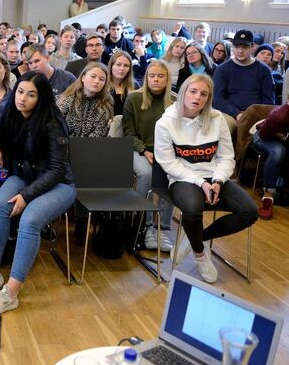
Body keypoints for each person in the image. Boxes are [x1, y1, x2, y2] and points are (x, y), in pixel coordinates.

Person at [0, 71, 76, 313]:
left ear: (41, 98)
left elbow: (56, 170)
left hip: (59, 184)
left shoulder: (52, 123)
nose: (22, 98)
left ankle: (11, 292)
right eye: (20, 92)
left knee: (30, 220)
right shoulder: (12, 111)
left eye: (31, 95)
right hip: (23, 176)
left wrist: (27, 195)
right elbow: (0, 126)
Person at [154, 74, 258, 283]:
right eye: (193, 92)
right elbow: (169, 164)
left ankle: (196, 239)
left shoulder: (217, 119)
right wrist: (201, 183)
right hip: (183, 178)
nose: (198, 98)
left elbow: (226, 157)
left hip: (215, 175)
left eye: (204, 94)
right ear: (183, 92)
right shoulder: (165, 123)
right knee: (193, 209)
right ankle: (200, 255)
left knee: (250, 212)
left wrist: (218, 181)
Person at [122, 60, 176, 251]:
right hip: (139, 148)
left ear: (167, 79)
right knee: (146, 173)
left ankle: (161, 227)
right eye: (152, 76)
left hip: (166, 152)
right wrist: (144, 150)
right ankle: (143, 225)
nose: (156, 80)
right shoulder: (134, 99)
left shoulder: (175, 102)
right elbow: (128, 133)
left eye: (160, 76)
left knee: (172, 174)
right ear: (146, 78)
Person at [212, 29, 275, 133]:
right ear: (232, 47)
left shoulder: (263, 70)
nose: (240, 51)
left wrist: (253, 116)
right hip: (229, 114)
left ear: (252, 47)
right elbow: (217, 99)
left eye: (245, 47)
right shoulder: (222, 69)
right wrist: (237, 113)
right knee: (225, 128)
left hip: (256, 114)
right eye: (237, 46)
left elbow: (268, 101)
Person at [56, 62, 113, 137]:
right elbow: (56, 127)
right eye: (93, 76)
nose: (97, 81)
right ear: (83, 78)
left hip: (91, 146)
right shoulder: (67, 100)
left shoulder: (105, 105)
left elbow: (99, 134)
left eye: (102, 79)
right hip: (65, 144)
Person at [252, 102, 288, 220]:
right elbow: (264, 135)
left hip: (283, 136)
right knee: (278, 152)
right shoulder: (278, 116)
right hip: (264, 135)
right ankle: (268, 195)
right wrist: (282, 137)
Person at [108, 50, 138, 116]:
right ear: (111, 66)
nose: (122, 68)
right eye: (118, 65)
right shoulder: (103, 85)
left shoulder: (135, 86)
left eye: (126, 65)